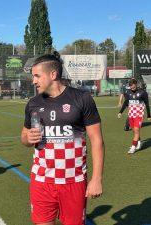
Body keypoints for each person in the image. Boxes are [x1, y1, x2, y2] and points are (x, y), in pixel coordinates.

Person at [20, 52, 105, 225]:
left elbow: (97, 140)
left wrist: (96, 179)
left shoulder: (82, 99)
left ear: (53, 74)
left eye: (37, 76)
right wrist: (28, 138)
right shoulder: (33, 103)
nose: (33, 81)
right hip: (42, 180)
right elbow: (24, 137)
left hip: (73, 180)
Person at [118, 78, 151, 154]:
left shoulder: (143, 92)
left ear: (135, 84)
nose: (131, 87)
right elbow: (126, 103)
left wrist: (149, 115)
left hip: (139, 115)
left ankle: (133, 148)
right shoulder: (128, 92)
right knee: (134, 131)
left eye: (132, 85)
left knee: (136, 130)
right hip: (131, 115)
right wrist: (120, 112)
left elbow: (147, 104)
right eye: (130, 86)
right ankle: (139, 143)